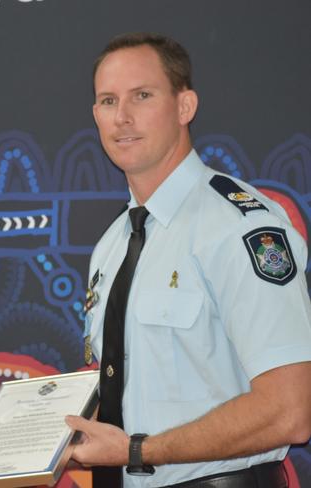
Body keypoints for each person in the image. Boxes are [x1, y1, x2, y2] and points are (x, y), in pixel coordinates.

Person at [65, 33, 311, 487]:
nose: (122, 117)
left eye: (142, 95)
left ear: (184, 107)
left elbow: (290, 410)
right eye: (107, 100)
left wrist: (138, 451)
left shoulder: (239, 227)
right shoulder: (111, 245)